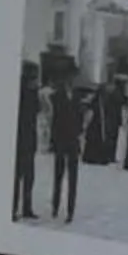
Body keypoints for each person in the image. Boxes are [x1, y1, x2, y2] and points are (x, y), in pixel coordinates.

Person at [46, 70, 81, 223]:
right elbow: (54, 119)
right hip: (61, 140)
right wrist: (53, 140)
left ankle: (70, 210)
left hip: (73, 141)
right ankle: (55, 206)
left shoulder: (77, 97)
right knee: (58, 176)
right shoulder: (57, 96)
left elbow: (79, 117)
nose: (72, 81)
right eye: (70, 78)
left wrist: (79, 133)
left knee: (73, 178)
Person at [13, 61, 41, 220]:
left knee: (27, 177)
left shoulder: (30, 92)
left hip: (28, 139)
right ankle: (16, 208)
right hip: (22, 139)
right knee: (19, 176)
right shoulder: (23, 92)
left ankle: (25, 208)